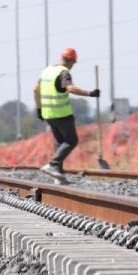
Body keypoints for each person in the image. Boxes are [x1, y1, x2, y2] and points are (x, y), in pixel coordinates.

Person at [35, 47, 98, 183]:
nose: (73, 66)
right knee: (71, 141)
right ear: (70, 61)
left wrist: (39, 109)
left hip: (48, 114)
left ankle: (58, 176)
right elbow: (71, 88)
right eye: (73, 63)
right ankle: (53, 165)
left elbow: (35, 89)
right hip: (62, 114)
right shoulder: (63, 73)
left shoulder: (47, 71)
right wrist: (90, 93)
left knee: (60, 143)